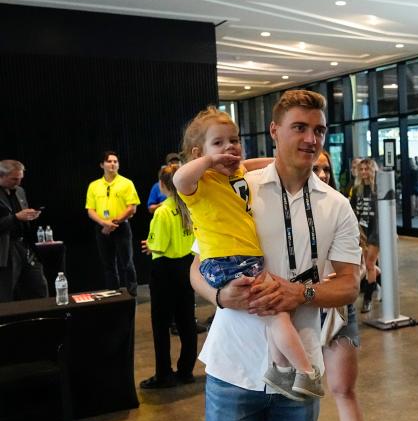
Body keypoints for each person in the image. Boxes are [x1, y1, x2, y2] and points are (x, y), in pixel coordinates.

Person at [189, 89, 361, 421]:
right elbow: (197, 266)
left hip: (298, 373)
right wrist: (220, 294)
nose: (310, 138)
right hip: (232, 368)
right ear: (275, 132)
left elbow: (348, 286)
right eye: (299, 128)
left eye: (318, 130)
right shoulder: (236, 187)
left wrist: (300, 292)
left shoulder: (336, 205)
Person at [175, 107, 323, 400]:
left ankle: (280, 371)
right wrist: (208, 161)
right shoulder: (201, 184)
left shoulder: (236, 175)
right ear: (198, 153)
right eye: (218, 143)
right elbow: (180, 178)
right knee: (277, 313)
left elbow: (259, 163)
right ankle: (306, 374)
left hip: (242, 258)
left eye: (234, 140)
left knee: (271, 314)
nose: (229, 147)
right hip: (228, 261)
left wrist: (294, 159)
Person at [304, 150, 386, 421]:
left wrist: (367, 268)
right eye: (314, 166)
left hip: (337, 306)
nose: (321, 173)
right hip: (299, 309)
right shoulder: (280, 205)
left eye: (325, 167)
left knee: (343, 387)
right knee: (304, 387)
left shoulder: (339, 206)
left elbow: (356, 255)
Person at [139, 165, 197, 389]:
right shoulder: (189, 206)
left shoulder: (163, 211)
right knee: (186, 322)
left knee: (161, 325)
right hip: (187, 267)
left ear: (163, 185)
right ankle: (186, 371)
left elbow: (159, 246)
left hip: (165, 270)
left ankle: (163, 374)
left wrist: (149, 245)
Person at [85, 150, 140, 295]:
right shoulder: (94, 186)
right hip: (102, 228)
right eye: (109, 161)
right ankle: (113, 293)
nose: (113, 164)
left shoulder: (126, 183)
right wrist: (104, 224)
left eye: (115, 161)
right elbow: (90, 210)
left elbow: (132, 208)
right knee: (108, 264)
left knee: (127, 262)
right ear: (102, 165)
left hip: (121, 226)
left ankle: (132, 292)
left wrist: (113, 223)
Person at [0, 159, 47, 303]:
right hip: (5, 248)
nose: (18, 182)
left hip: (24, 245)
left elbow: (21, 217)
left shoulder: (20, 191)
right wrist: (16, 218)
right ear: (1, 176)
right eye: (14, 179)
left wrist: (29, 216)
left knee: (38, 285)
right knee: (6, 292)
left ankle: (42, 319)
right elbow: (12, 219)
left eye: (20, 178)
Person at [350, 158, 381, 313]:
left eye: (367, 169)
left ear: (373, 170)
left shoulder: (379, 190)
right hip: (362, 232)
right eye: (361, 169)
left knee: (369, 265)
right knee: (371, 266)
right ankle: (381, 286)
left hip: (376, 232)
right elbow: (353, 212)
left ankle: (367, 299)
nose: (363, 172)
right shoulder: (357, 190)